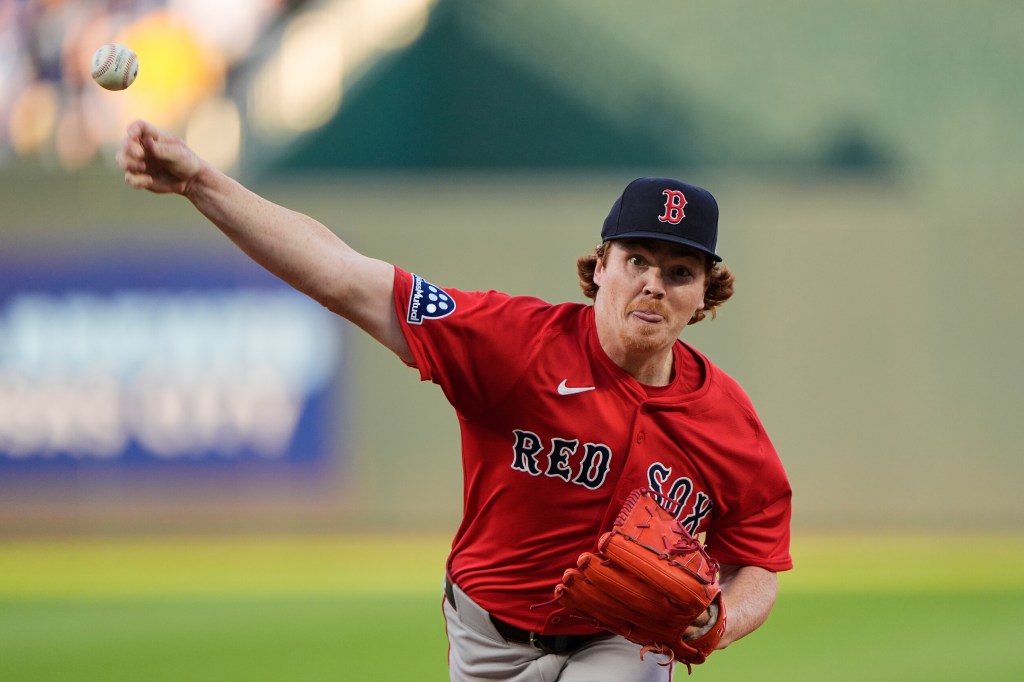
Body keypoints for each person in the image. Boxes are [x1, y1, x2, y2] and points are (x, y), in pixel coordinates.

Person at [116, 120, 793, 681]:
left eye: (679, 271)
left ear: (705, 295)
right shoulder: (513, 344)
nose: (653, 284)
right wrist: (202, 182)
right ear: (599, 268)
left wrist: (722, 621)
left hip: (626, 639)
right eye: (637, 260)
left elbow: (758, 559)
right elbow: (342, 276)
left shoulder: (727, 421)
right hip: (488, 638)